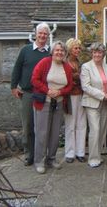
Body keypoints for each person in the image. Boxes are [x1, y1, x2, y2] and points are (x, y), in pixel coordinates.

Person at [10, 22, 51, 166]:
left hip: (45, 94)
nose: (42, 36)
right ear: (35, 34)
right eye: (40, 33)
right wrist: (13, 86)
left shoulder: (50, 52)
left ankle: (42, 154)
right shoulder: (26, 50)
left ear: (48, 36)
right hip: (28, 93)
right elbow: (17, 68)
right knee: (27, 125)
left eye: (45, 34)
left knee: (42, 127)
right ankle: (29, 155)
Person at [30, 41, 73, 174]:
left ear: (65, 53)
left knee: (55, 134)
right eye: (57, 50)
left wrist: (60, 92)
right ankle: (39, 161)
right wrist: (47, 90)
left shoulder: (67, 67)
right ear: (52, 51)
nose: (59, 52)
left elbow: (70, 85)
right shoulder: (44, 62)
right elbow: (34, 79)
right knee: (42, 133)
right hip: (44, 102)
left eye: (62, 51)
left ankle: (51, 159)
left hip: (59, 103)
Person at [80, 42, 107, 168]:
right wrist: (102, 95)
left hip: (105, 103)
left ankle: (98, 155)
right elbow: (85, 86)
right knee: (95, 130)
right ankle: (93, 158)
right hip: (92, 103)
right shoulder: (86, 67)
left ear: (103, 54)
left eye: (100, 52)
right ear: (92, 53)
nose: (97, 54)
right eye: (95, 52)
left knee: (102, 130)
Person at [64, 38, 87, 163]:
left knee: (81, 124)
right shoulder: (64, 62)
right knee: (70, 125)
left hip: (81, 95)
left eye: (79, 48)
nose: (78, 50)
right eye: (75, 48)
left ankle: (80, 152)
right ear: (69, 49)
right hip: (70, 96)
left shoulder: (80, 63)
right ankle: (70, 153)